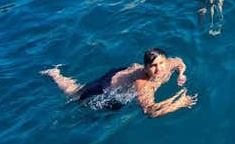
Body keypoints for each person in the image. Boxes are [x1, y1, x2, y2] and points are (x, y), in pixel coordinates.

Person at [41, 48, 197, 117]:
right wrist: (179, 103)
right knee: (75, 96)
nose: (159, 69)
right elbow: (150, 111)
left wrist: (181, 74)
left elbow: (179, 62)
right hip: (107, 86)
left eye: (161, 63)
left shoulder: (169, 64)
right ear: (146, 67)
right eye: (153, 66)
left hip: (122, 73)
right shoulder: (143, 84)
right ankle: (55, 74)